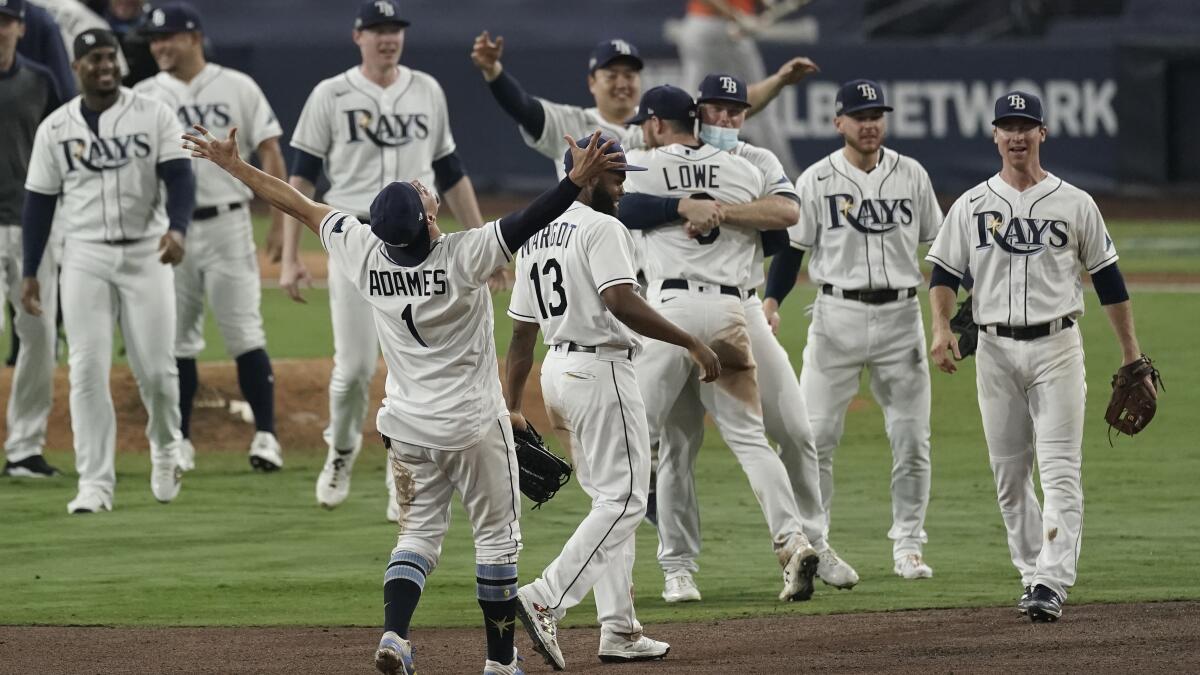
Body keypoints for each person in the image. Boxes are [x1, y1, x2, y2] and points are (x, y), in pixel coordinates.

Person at [185, 118, 624, 675]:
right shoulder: (462, 257)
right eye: (419, 194)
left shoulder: (363, 252)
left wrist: (232, 166)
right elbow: (527, 219)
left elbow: (297, 203)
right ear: (428, 219)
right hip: (473, 428)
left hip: (408, 428)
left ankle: (395, 635)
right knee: (497, 541)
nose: (420, 187)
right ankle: (499, 662)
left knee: (416, 536)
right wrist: (573, 182)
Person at [619, 74, 859, 600]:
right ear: (698, 114)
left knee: (641, 443)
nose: (728, 119)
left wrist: (693, 208)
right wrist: (700, 208)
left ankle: (648, 568)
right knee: (731, 440)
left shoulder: (654, 161)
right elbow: (778, 234)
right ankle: (783, 542)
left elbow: (614, 205)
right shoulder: (740, 169)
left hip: (677, 309)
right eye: (717, 109)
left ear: (658, 124)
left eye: (737, 110)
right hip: (727, 309)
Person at [927, 91, 1150, 623]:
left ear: (1042, 134)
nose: (1017, 135)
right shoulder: (971, 204)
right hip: (995, 351)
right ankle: (1031, 572)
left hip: (1057, 348)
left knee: (1059, 470)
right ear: (995, 135)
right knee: (1009, 475)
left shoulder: (1075, 202)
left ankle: (1052, 580)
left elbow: (1109, 281)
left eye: (1027, 126)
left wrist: (1131, 354)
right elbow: (943, 273)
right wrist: (939, 327)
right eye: (1008, 126)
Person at [504, 135, 720, 670]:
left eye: (625, 173)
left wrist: (512, 404)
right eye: (615, 175)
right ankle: (544, 596)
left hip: (558, 372)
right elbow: (619, 301)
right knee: (623, 502)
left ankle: (619, 631)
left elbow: (520, 336)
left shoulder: (534, 236)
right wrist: (690, 340)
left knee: (608, 503)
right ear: (585, 172)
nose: (623, 186)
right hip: (600, 372)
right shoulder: (603, 228)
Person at [282, 0, 500, 521]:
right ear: (358, 36)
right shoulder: (329, 94)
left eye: (395, 29)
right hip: (356, 236)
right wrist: (290, 254)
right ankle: (340, 452)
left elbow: (450, 170)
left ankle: (398, 468)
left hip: (423, 244)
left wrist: (480, 243)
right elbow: (302, 180)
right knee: (355, 367)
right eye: (378, 30)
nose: (388, 38)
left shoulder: (426, 89)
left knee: (409, 371)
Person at [765, 79, 942, 580]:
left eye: (877, 115)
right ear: (839, 122)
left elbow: (941, 247)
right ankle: (816, 548)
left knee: (911, 439)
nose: (870, 124)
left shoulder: (912, 174)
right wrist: (772, 302)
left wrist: (949, 313)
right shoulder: (817, 180)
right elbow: (791, 251)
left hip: (901, 318)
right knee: (815, 437)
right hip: (835, 317)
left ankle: (908, 545)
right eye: (860, 115)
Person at [21, 27, 193, 513]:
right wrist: (31, 270)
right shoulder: (55, 128)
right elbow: (39, 204)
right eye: (93, 59)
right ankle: (95, 484)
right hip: (84, 255)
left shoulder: (153, 113)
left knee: (157, 372)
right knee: (86, 369)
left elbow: (179, 178)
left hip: (146, 253)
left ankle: (165, 447)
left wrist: (177, 229)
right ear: (76, 68)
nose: (104, 66)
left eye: (110, 57)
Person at [135, 0, 286, 473]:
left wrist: (281, 221)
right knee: (177, 338)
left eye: (168, 36)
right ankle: (180, 440)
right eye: (154, 38)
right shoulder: (142, 93)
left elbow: (269, 149)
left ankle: (266, 436)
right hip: (169, 229)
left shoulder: (236, 85)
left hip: (228, 222)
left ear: (195, 37)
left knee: (243, 330)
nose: (159, 45)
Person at [469, 31, 818, 179]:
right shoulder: (573, 123)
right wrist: (493, 71)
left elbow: (725, 111)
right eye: (612, 74)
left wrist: (779, 81)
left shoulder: (663, 120)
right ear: (592, 82)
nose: (623, 82)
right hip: (587, 250)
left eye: (630, 74)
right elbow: (523, 107)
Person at [0, 0, 64, 479]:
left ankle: (24, 448)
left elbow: (68, 146)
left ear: (20, 27)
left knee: (40, 337)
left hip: (33, 226)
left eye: (5, 22)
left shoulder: (41, 81)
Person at [676, 0, 802, 178]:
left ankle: (676, 166)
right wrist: (737, 16)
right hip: (719, 29)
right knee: (760, 106)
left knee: (691, 101)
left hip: (702, 27)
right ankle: (784, 177)